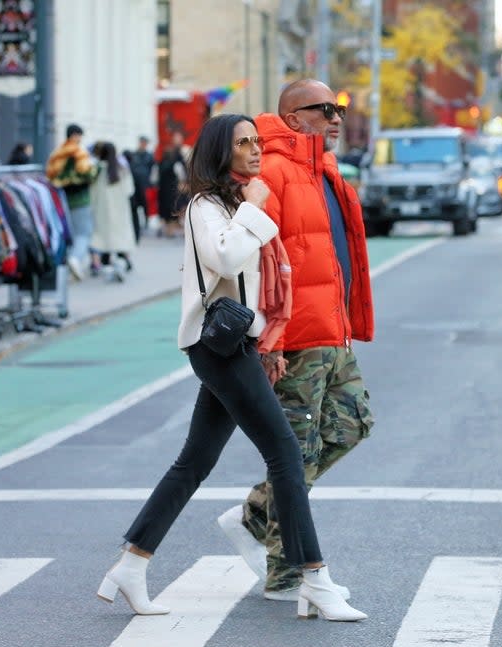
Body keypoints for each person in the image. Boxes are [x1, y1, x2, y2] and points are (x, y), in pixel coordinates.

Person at [96, 114, 365, 622]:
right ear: (222, 152)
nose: (255, 150)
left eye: (257, 141)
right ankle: (316, 579)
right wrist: (257, 210)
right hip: (217, 346)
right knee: (286, 453)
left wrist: (271, 342)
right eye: (243, 143)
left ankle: (131, 566)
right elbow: (226, 256)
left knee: (194, 462)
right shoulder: (206, 206)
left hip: (241, 343)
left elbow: (257, 280)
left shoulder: (237, 202)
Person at [216, 79, 376, 602]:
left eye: (339, 109)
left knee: (352, 425)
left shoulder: (325, 171)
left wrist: (346, 321)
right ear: (292, 115)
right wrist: (274, 342)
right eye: (323, 109)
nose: (336, 118)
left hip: (332, 331)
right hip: (297, 337)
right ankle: (286, 577)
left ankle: (256, 514)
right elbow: (263, 263)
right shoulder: (276, 173)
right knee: (297, 451)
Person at [46, 123, 99, 280]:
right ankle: (75, 258)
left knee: (69, 233)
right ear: (75, 135)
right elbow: (88, 173)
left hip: (62, 200)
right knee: (84, 233)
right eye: (79, 136)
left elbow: (50, 174)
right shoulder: (79, 152)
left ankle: (69, 267)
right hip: (80, 198)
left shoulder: (56, 153)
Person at [89, 140, 136, 280]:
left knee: (101, 239)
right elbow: (130, 190)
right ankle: (121, 262)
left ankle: (102, 265)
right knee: (120, 238)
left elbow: (92, 193)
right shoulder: (122, 169)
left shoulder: (97, 169)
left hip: (102, 210)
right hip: (120, 209)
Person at [156, 130, 188, 237]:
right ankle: (170, 228)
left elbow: (184, 169)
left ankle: (177, 228)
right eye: (175, 138)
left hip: (175, 185)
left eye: (179, 138)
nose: (177, 140)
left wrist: (185, 182)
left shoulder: (183, 151)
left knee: (178, 206)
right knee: (169, 206)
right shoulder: (169, 152)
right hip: (167, 186)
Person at [127, 135, 156, 242]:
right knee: (135, 206)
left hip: (145, 185)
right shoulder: (134, 155)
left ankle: (146, 224)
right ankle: (137, 226)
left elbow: (153, 171)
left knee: (146, 206)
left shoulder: (149, 156)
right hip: (135, 185)